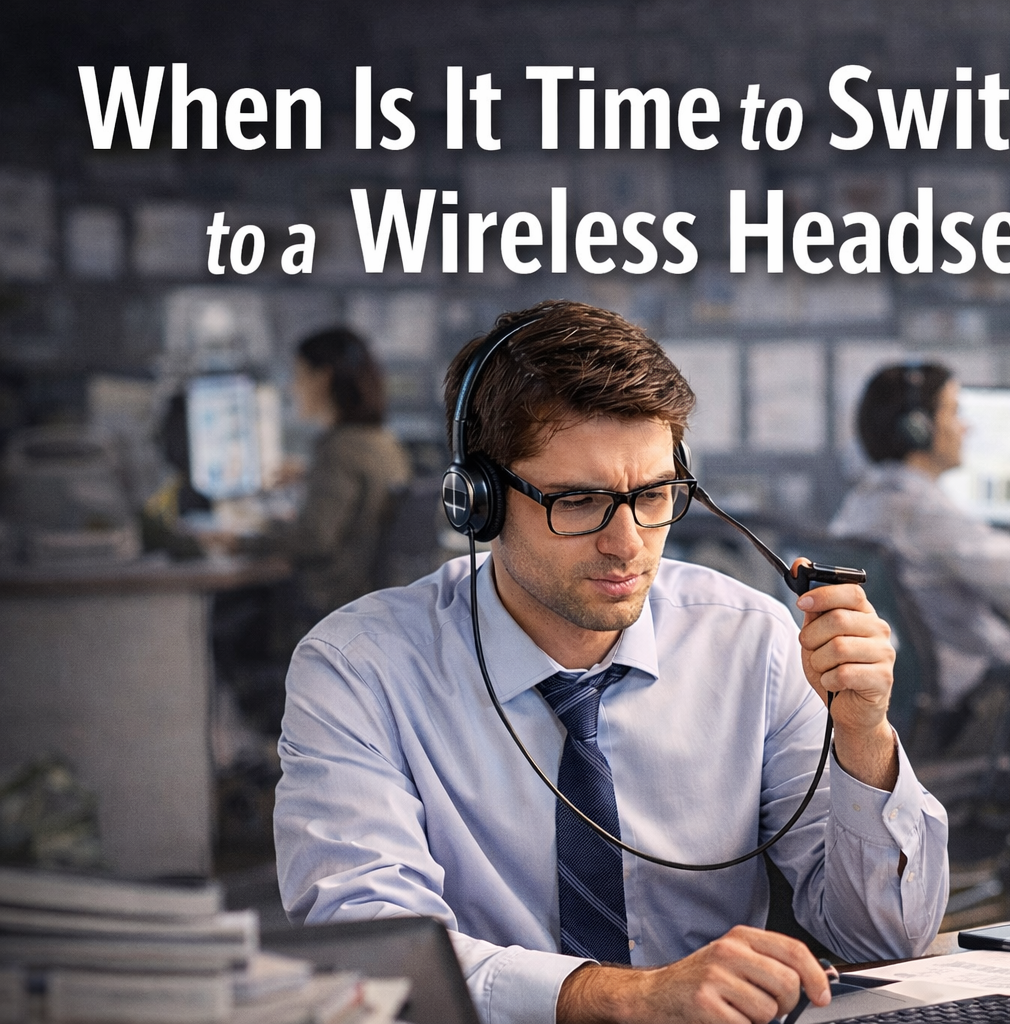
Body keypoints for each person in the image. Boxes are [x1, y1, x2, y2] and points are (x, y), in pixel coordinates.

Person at [274, 301, 949, 1024]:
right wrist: (628, 999)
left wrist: (865, 739)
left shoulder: (752, 641)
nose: (627, 542)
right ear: (480, 501)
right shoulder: (359, 669)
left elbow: (883, 939)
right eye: (582, 500)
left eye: (654, 495)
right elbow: (375, 953)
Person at [831, 363, 1010, 719]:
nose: (965, 427)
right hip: (978, 706)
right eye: (954, 412)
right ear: (918, 429)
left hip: (918, 710)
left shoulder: (865, 500)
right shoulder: (920, 511)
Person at [232, 328, 411, 628]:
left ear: (323, 378)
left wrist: (241, 540)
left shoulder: (338, 449)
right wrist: (309, 473)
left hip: (331, 602)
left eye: (299, 376)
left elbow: (314, 538)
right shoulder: (383, 441)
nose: (293, 388)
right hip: (371, 600)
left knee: (229, 615)